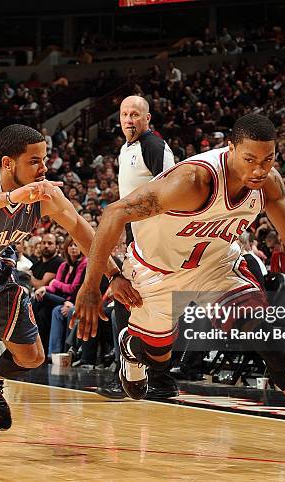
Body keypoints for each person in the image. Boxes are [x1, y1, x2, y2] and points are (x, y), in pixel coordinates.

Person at [75, 114, 285, 473]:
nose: (259, 169)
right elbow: (114, 214)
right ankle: (132, 346)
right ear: (231, 150)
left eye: (267, 159)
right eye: (250, 159)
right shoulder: (193, 181)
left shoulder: (268, 183)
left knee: (259, 328)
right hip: (156, 274)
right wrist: (91, 286)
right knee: (159, 359)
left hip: (216, 265)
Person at [0, 124, 138, 460]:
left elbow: (80, 229)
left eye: (45, 159)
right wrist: (10, 198)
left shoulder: (46, 196)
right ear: (7, 164)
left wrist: (113, 274)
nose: (44, 168)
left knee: (32, 357)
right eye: (34, 161)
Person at [97, 95, 177, 400]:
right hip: (140, 238)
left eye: (135, 115)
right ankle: (157, 378)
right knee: (138, 302)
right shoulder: (127, 148)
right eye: (124, 114)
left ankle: (137, 375)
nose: (129, 120)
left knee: (130, 301)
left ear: (148, 119)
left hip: (158, 240)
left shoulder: (153, 146)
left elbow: (172, 190)